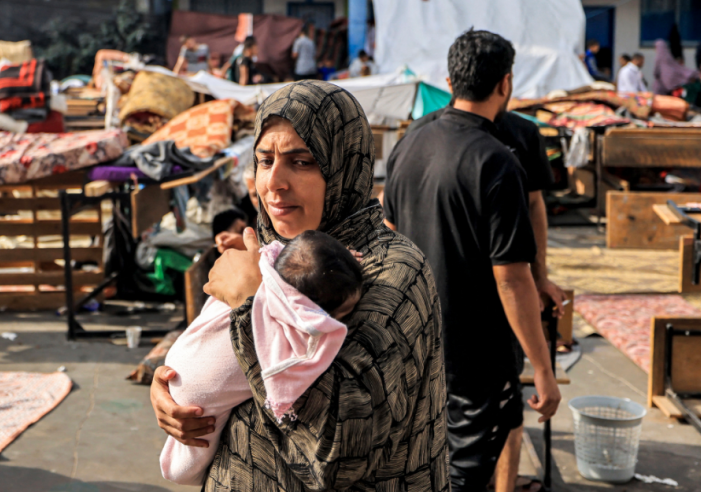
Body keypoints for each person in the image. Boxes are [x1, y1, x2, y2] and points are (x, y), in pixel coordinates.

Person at [150, 81, 449, 491]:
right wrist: (173, 387)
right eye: (264, 160)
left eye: (301, 161)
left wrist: (252, 305)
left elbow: (341, 452)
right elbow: (215, 354)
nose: (274, 182)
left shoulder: (389, 274)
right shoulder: (267, 251)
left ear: (344, 166)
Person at [384, 30, 561, 492]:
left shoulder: (410, 142)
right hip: (474, 354)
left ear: (450, 80)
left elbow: (388, 235)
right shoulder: (496, 159)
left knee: (424, 461)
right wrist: (542, 369)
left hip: (416, 340)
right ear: (505, 84)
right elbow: (512, 279)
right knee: (463, 474)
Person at [161, 230, 363, 485]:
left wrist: (339, 261)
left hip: (184, 355)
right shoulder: (290, 324)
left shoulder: (270, 260)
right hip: (198, 392)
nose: (345, 317)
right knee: (181, 470)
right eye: (341, 312)